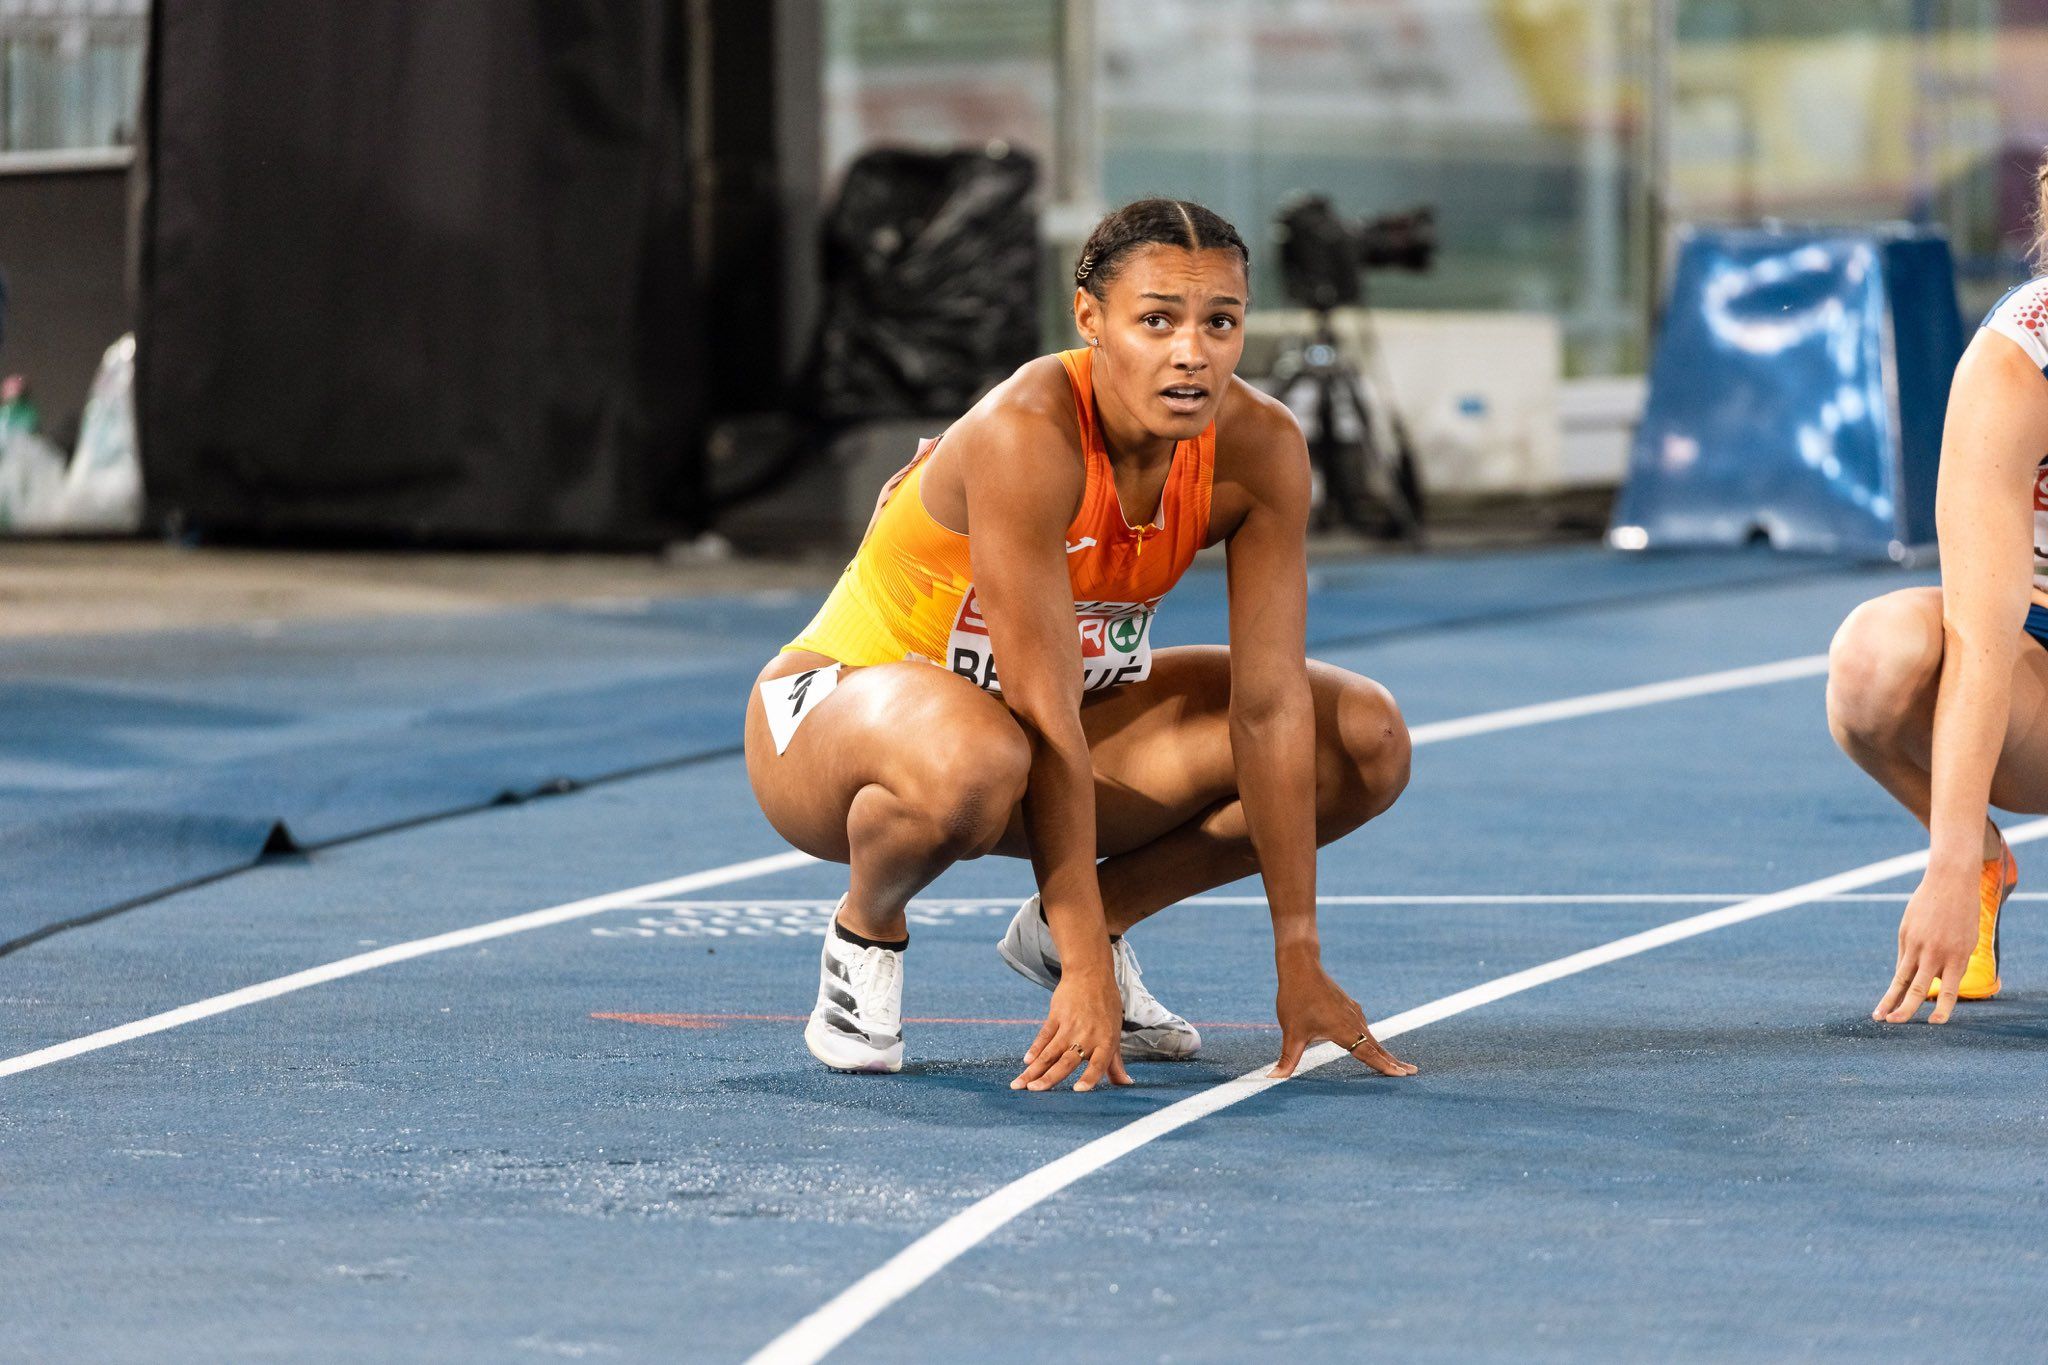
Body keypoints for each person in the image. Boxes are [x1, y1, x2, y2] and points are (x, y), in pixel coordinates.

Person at [743, 198, 1416, 1092]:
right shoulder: (1028, 434)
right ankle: (867, 929)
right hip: (837, 720)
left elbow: (1268, 705)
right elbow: (1038, 705)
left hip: (1041, 734)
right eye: (1156, 321)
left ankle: (1094, 924)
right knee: (975, 752)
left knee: (1360, 738)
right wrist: (1089, 980)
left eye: (1221, 322)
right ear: (1089, 318)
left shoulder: (1259, 446)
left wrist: (1297, 955)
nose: (1192, 352)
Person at [1827, 152, 2048, 1025]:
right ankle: (1992, 863)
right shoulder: (2013, 367)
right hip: (2039, 672)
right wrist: (1953, 856)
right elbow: (1984, 635)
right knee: (1874, 657)